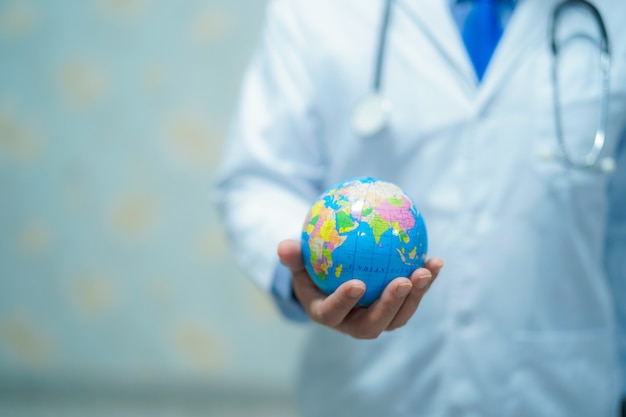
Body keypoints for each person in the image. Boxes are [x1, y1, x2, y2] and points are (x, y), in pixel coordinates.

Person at [215, 0, 626, 416]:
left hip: (558, 393)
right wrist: (307, 267)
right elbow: (259, 179)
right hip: (370, 393)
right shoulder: (317, 11)